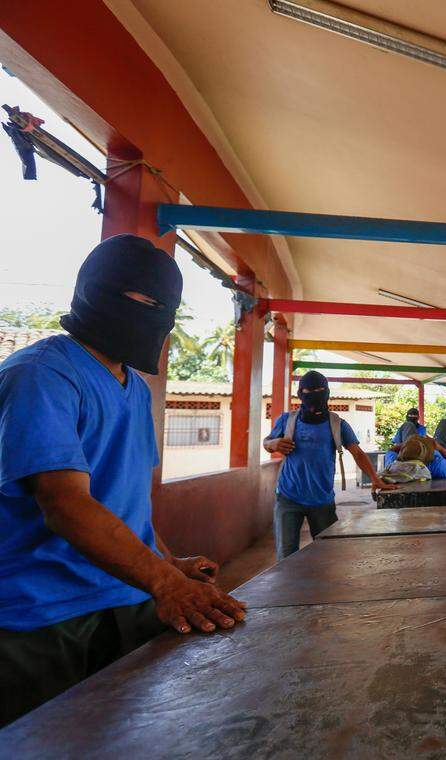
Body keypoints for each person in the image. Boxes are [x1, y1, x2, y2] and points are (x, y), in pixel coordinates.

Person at [0, 235, 247, 726]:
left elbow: (124, 497)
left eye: (167, 308)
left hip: (126, 597)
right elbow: (65, 503)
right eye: (146, 302)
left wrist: (167, 560)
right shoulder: (42, 375)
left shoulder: (134, 387)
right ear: (96, 292)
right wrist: (165, 583)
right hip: (45, 616)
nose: (159, 318)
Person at [263, 371, 390, 559]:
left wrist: (375, 479)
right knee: (286, 555)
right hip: (288, 498)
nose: (313, 395)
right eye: (308, 391)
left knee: (327, 554)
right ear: (300, 394)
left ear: (327, 393)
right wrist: (273, 444)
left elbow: (357, 453)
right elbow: (267, 442)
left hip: (322, 501)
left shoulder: (337, 424)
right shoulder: (287, 420)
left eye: (319, 391)